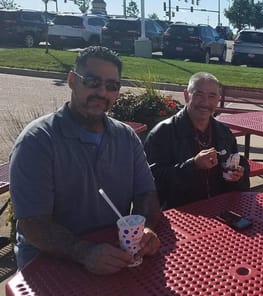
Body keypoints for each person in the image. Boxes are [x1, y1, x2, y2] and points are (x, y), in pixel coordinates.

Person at [9, 46, 161, 274]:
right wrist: (84, 252)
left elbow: (146, 194)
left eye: (112, 86)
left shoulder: (126, 137)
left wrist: (145, 230)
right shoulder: (37, 141)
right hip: (48, 265)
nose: (102, 92)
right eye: (92, 81)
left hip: (111, 256)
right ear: (72, 80)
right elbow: (33, 224)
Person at [144, 72, 249, 209]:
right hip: (178, 213)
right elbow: (151, 182)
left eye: (212, 96)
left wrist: (238, 176)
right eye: (199, 95)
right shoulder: (162, 133)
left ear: (218, 99)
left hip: (219, 209)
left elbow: (237, 177)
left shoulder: (224, 133)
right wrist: (194, 165)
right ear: (187, 95)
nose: (205, 103)